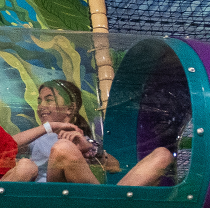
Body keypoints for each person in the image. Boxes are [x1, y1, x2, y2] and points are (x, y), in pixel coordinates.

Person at [13, 79, 172, 186]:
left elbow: (115, 166)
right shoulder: (39, 137)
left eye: (48, 99)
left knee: (163, 155)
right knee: (63, 148)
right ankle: (106, 206)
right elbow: (7, 145)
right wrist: (49, 127)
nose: (41, 106)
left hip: (84, 198)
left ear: (70, 108)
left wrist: (89, 149)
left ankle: (109, 205)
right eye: (39, 101)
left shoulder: (82, 138)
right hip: (54, 202)